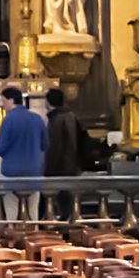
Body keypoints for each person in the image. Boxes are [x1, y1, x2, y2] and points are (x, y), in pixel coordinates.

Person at [44, 88, 86, 220]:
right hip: (73, 167)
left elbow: (54, 147)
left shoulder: (56, 119)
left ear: (48, 102)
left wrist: (48, 170)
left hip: (60, 168)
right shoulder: (72, 116)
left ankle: (67, 232)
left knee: (63, 205)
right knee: (70, 204)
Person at [0, 86, 46, 179]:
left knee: (12, 194)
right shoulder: (37, 118)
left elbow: (0, 149)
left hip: (12, 172)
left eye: (3, 102)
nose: (3, 106)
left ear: (10, 100)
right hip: (35, 170)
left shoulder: (8, 120)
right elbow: (45, 144)